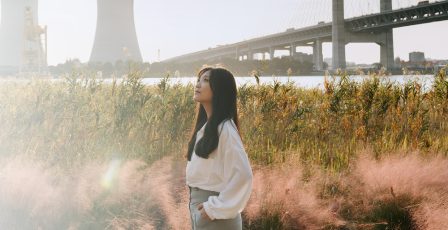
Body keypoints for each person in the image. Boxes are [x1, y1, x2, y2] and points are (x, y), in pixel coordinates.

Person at [186, 67, 253, 230]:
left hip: (216, 218)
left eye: (206, 80)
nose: (198, 84)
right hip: (204, 213)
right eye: (198, 80)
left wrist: (215, 207)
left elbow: (244, 175)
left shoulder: (225, 129)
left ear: (220, 89)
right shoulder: (208, 128)